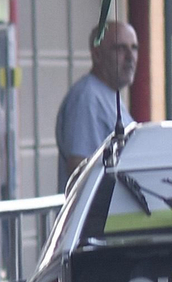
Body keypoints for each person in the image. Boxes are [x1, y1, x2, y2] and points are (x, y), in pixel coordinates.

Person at [55, 20, 138, 190]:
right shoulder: (87, 98)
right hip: (97, 214)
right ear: (97, 55)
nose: (130, 57)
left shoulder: (109, 95)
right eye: (120, 48)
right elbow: (79, 169)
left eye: (134, 48)